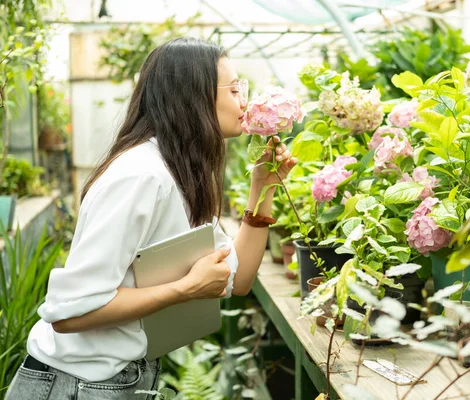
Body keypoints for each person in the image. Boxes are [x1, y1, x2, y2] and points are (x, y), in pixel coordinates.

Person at [5, 37, 295, 399]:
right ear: (195, 95)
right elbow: (68, 314)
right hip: (73, 386)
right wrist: (184, 289)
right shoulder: (141, 176)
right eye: (235, 89)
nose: (245, 102)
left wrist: (262, 187)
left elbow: (238, 279)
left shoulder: (180, 173)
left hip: (115, 380)